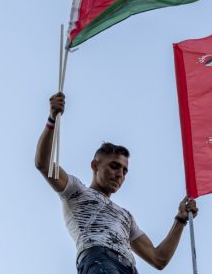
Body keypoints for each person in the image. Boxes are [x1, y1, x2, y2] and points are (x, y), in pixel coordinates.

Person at [35, 92, 198, 274]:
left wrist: (181, 219)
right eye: (114, 166)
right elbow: (44, 164)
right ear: (95, 165)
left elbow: (158, 259)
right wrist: (52, 119)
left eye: (124, 170)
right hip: (98, 257)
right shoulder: (76, 190)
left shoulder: (126, 216)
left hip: (129, 268)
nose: (119, 174)